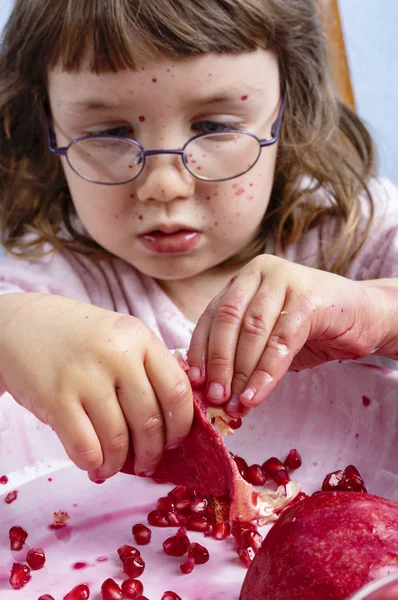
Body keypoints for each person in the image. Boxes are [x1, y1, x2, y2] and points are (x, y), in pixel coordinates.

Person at [0, 0, 397, 484]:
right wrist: (10, 332)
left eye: (215, 127)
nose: (164, 185)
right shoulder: (42, 285)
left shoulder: (357, 230)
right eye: (108, 132)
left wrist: (378, 312)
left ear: (285, 109)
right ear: (47, 124)